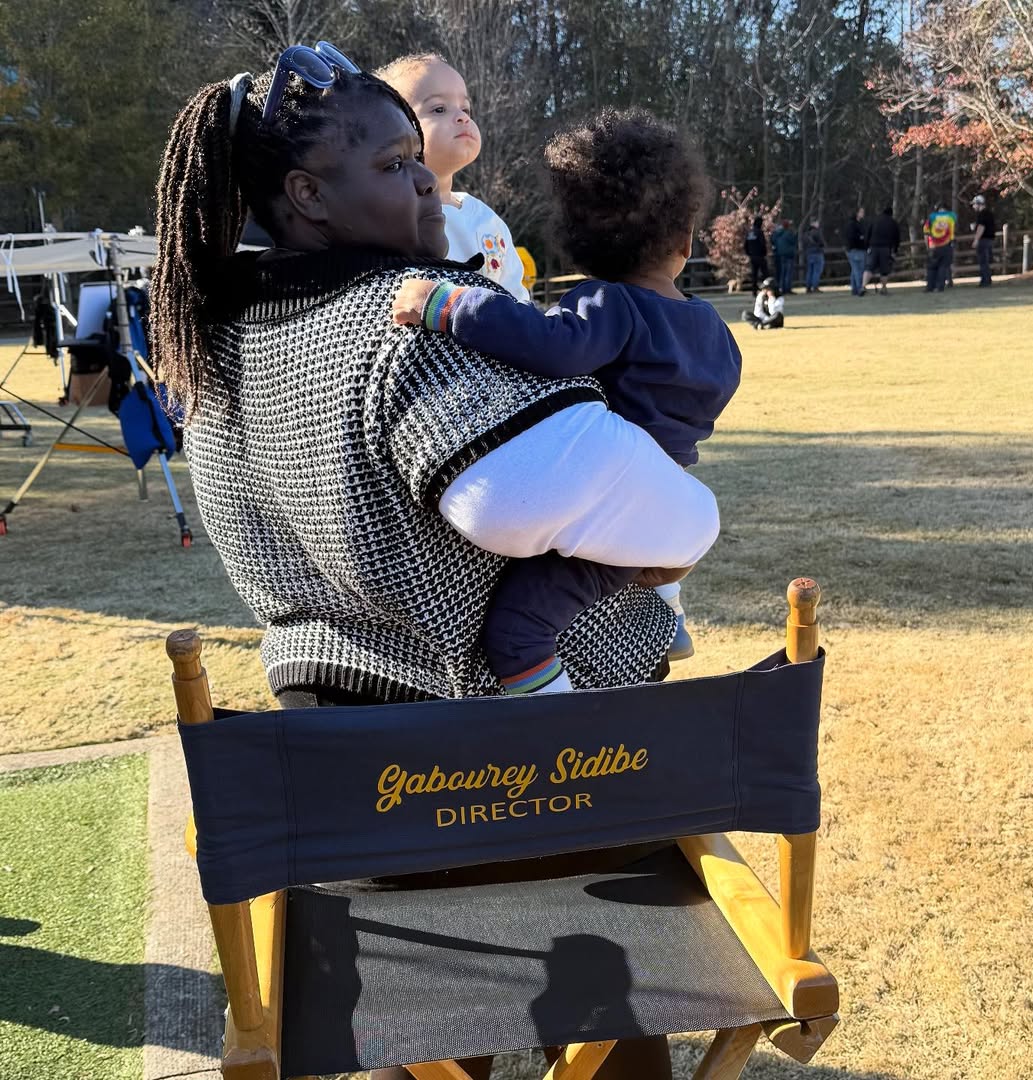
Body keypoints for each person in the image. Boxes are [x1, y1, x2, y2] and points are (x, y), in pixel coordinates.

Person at [151, 44, 716, 1080]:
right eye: (389, 163)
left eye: (420, 156)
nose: (421, 179)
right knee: (611, 1012)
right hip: (524, 788)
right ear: (306, 196)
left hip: (348, 797)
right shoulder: (408, 317)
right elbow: (584, 510)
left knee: (436, 1038)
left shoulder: (220, 348)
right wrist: (689, 514)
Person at [392, 107, 741, 693]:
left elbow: (551, 347)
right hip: (661, 503)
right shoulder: (713, 330)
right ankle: (669, 607)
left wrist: (448, 305)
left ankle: (558, 720)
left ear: (583, 249)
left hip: (603, 501)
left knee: (518, 630)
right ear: (685, 240)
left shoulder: (610, 304)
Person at [376, 52, 530, 301]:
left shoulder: (488, 221)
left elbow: (518, 297)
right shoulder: (387, 219)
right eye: (439, 109)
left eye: (465, 107)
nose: (463, 117)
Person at [864, 205, 901, 294]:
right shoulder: (893, 222)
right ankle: (883, 288)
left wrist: (867, 247)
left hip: (873, 247)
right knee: (884, 270)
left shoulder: (874, 220)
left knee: (869, 268)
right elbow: (897, 238)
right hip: (885, 248)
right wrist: (895, 250)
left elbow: (867, 234)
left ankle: (863, 286)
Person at [923, 201, 956, 292]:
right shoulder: (950, 219)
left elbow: (926, 232)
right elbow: (952, 233)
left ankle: (930, 286)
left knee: (931, 267)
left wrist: (927, 246)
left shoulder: (931, 218)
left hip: (933, 245)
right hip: (946, 245)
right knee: (943, 267)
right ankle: (940, 286)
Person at [972, 193, 996, 287]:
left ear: (979, 204)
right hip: (990, 239)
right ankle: (987, 279)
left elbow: (981, 227)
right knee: (986, 261)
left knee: (983, 261)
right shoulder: (989, 213)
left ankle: (985, 281)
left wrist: (976, 239)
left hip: (984, 240)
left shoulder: (982, 214)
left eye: (975, 204)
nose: (974, 206)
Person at [844, 207, 867, 295]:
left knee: (854, 270)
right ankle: (859, 288)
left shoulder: (857, 223)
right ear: (856, 213)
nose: (863, 213)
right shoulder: (853, 225)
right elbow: (853, 237)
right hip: (856, 250)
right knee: (859, 270)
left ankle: (854, 289)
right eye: (861, 212)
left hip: (854, 249)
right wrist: (861, 238)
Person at [771, 218, 797, 295]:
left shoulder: (777, 234)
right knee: (788, 273)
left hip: (780, 255)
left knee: (782, 273)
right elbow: (793, 241)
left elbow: (773, 241)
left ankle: (781, 288)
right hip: (789, 255)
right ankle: (787, 288)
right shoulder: (788, 233)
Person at [744, 215, 768, 292]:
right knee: (765, 274)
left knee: (754, 274)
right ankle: (767, 289)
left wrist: (749, 254)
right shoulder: (759, 232)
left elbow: (745, 245)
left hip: (752, 256)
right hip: (760, 256)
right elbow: (762, 244)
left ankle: (754, 290)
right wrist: (764, 253)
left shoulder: (750, 233)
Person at [804, 218, 825, 292]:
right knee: (817, 271)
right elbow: (821, 242)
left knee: (810, 271)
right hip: (817, 252)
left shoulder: (806, 233)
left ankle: (808, 287)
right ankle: (815, 286)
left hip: (809, 253)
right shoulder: (816, 232)